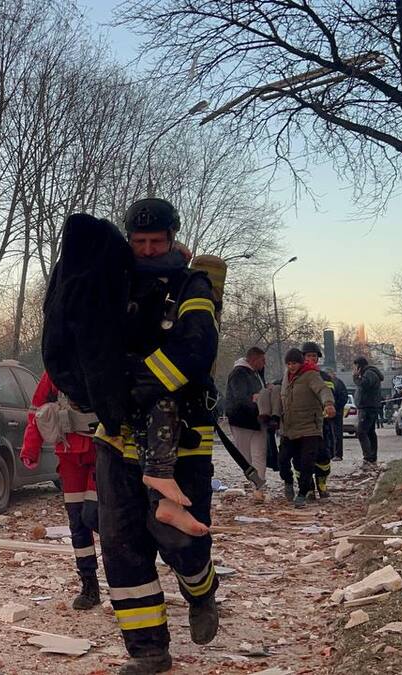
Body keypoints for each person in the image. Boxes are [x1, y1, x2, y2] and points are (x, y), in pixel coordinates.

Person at [93, 198, 223, 673]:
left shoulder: (192, 284)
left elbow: (198, 344)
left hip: (183, 435)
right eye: (139, 242)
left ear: (172, 238)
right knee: (122, 545)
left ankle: (202, 589)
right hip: (116, 435)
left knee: (176, 537)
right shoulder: (115, 284)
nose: (147, 251)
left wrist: (143, 382)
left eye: (156, 242)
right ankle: (148, 650)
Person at [20, 371, 101, 610]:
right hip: (69, 451)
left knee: (97, 516)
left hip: (105, 450)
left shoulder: (104, 354)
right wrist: (30, 449)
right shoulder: (57, 367)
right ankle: (89, 585)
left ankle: (124, 578)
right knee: (78, 522)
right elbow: (37, 409)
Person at [278, 348, 336, 508]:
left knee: (306, 462)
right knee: (282, 459)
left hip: (310, 428)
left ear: (300, 362)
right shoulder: (286, 377)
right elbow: (280, 395)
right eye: (288, 364)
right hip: (289, 428)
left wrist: (329, 404)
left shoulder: (311, 375)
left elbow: (323, 390)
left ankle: (303, 493)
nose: (291, 366)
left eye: (294, 363)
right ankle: (288, 482)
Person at [224, 347, 268, 502]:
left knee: (259, 454)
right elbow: (240, 398)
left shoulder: (256, 374)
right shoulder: (239, 373)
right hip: (242, 421)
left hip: (255, 421)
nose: (265, 363)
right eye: (263, 360)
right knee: (247, 457)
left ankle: (258, 486)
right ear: (254, 360)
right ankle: (256, 483)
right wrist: (256, 400)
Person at [300, 343, 334, 498]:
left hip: (321, 424)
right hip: (302, 424)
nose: (312, 359)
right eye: (309, 356)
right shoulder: (295, 375)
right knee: (302, 458)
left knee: (323, 457)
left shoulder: (325, 377)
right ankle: (307, 487)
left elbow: (334, 396)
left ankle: (321, 483)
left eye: (314, 356)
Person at [352, 356, 384, 469]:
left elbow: (364, 385)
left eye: (355, 366)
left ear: (360, 366)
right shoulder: (370, 373)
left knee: (361, 432)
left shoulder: (369, 373)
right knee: (370, 432)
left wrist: (356, 377)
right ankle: (372, 457)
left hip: (367, 407)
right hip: (369, 407)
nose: (354, 369)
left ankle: (368, 458)